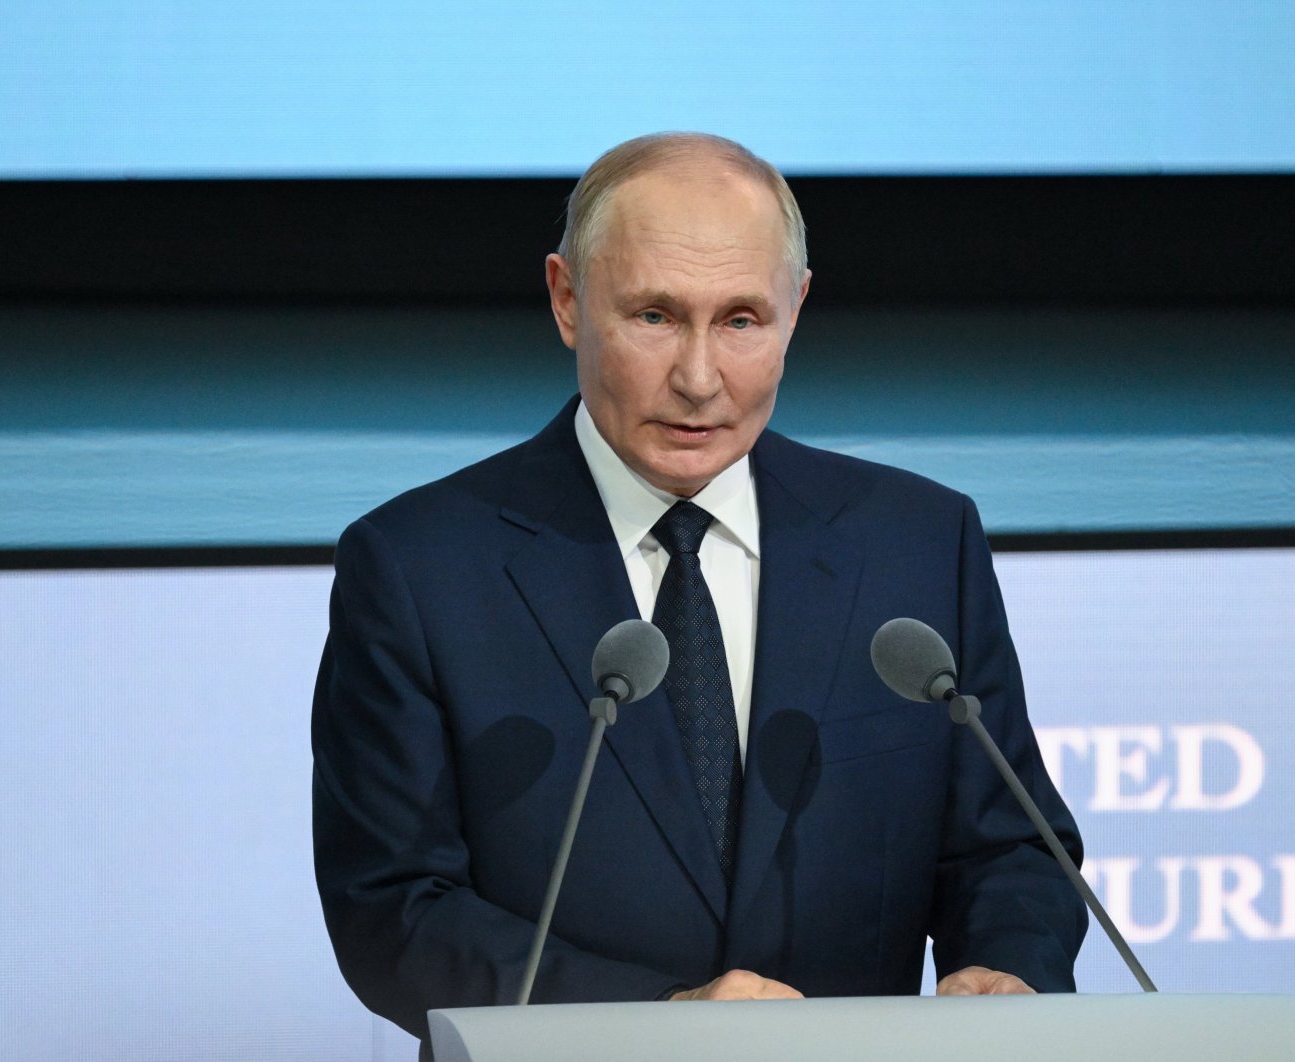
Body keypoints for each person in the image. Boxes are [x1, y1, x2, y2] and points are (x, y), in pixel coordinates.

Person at [312, 132, 1087, 1049]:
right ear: (567, 300)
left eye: (740, 321)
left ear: (794, 309)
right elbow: (393, 911)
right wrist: (660, 1025)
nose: (698, 378)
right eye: (653, 316)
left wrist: (1006, 969)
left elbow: (1008, 845)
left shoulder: (917, 541)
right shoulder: (417, 565)